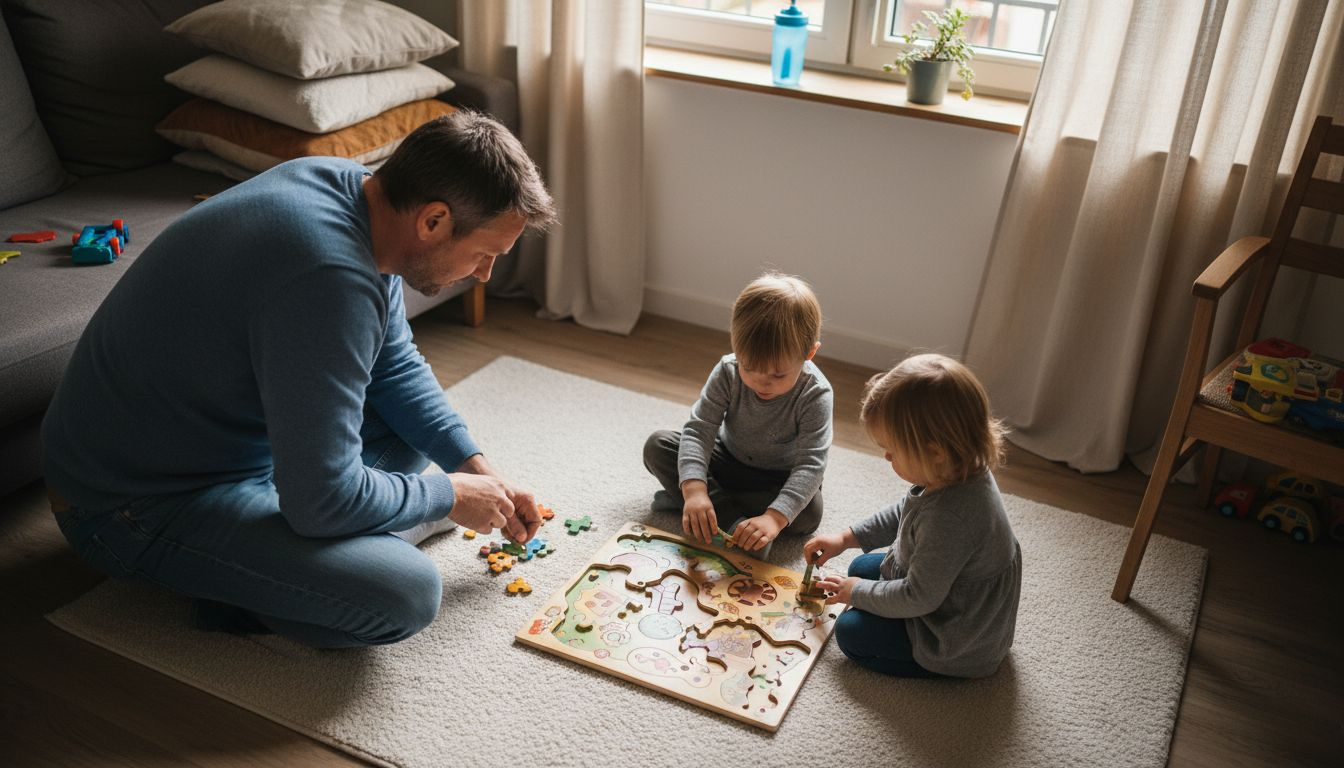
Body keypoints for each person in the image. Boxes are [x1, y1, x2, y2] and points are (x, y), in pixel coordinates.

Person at [41, 111, 556, 648]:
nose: (484, 274)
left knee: (408, 432)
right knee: (403, 593)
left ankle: (299, 550)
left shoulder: (357, 192)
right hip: (127, 504)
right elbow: (323, 503)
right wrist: (445, 495)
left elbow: (394, 364)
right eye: (484, 254)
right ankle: (250, 587)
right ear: (433, 221)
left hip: (225, 451)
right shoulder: (325, 277)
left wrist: (477, 469)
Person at [805, 353, 1021, 678]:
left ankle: (940, 668)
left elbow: (918, 596)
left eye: (891, 449)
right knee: (859, 567)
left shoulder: (953, 518)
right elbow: (907, 511)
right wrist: (847, 538)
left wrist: (856, 593)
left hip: (953, 633)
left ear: (934, 451)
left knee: (850, 632)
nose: (887, 456)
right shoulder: (953, 467)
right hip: (940, 590)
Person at [643, 272, 832, 554]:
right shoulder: (727, 370)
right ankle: (725, 516)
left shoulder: (815, 394)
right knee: (658, 446)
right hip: (727, 458)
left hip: (777, 476)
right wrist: (695, 490)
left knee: (808, 515)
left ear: (809, 354)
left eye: (778, 375)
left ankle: (708, 508)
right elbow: (700, 429)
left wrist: (774, 518)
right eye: (748, 367)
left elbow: (811, 465)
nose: (761, 382)